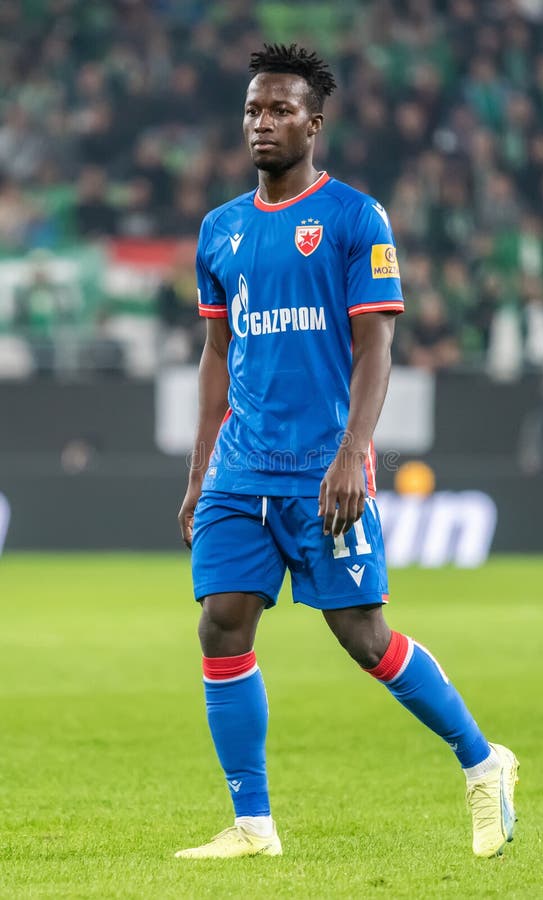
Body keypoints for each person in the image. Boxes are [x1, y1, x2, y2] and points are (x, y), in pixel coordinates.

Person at [176, 44, 518, 861]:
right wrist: (197, 477)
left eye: (281, 110)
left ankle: (484, 762)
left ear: (314, 124)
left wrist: (351, 453)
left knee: (363, 636)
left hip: (322, 467)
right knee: (222, 624)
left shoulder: (355, 219)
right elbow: (216, 356)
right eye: (255, 109)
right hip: (239, 468)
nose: (263, 122)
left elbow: (376, 348)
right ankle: (253, 825)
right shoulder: (219, 230)